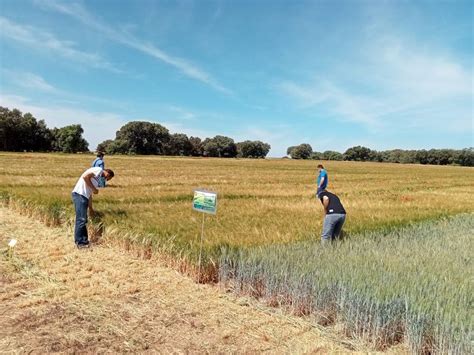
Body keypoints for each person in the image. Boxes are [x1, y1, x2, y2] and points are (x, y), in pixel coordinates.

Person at [71, 167, 114, 249]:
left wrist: (90, 208)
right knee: (81, 220)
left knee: (84, 220)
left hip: (84, 197)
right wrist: (94, 189)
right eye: (108, 178)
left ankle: (84, 240)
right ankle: (80, 243)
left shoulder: (97, 180)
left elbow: (89, 194)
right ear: (108, 174)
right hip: (79, 195)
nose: (107, 180)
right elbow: (85, 177)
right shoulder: (99, 170)